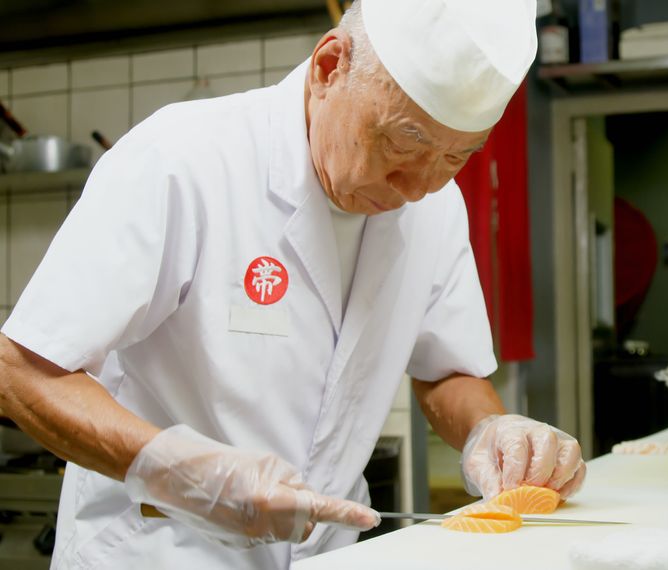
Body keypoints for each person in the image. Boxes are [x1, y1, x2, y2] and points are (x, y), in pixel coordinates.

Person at [0, 0, 586, 567]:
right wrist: (173, 468)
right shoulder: (182, 159)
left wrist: (492, 430)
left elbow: (448, 370)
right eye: (404, 143)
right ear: (330, 67)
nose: (418, 187)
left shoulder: (436, 207)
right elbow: (21, 370)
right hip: (158, 553)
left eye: (457, 158)